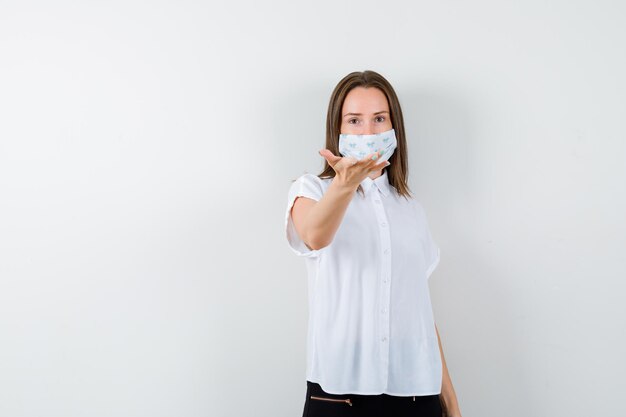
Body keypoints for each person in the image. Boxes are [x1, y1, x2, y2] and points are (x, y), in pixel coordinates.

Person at [285, 70, 462, 417]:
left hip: (416, 395)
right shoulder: (311, 191)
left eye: (379, 119)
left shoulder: (409, 207)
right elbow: (315, 236)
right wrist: (344, 184)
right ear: (338, 130)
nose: (368, 131)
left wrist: (452, 404)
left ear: (394, 128)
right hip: (339, 396)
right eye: (354, 121)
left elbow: (419, 312)